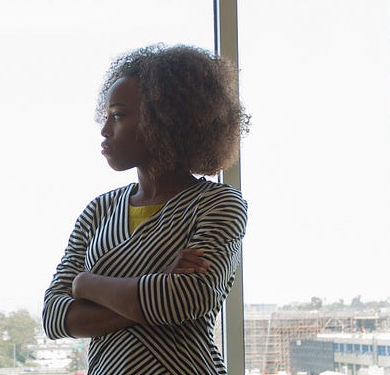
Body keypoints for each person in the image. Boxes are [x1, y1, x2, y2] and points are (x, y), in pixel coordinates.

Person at [42, 44, 250, 374]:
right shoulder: (99, 210)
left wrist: (87, 286)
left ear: (166, 121)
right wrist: (156, 285)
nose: (105, 130)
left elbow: (186, 299)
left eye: (119, 115)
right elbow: (54, 316)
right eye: (106, 116)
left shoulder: (219, 204)